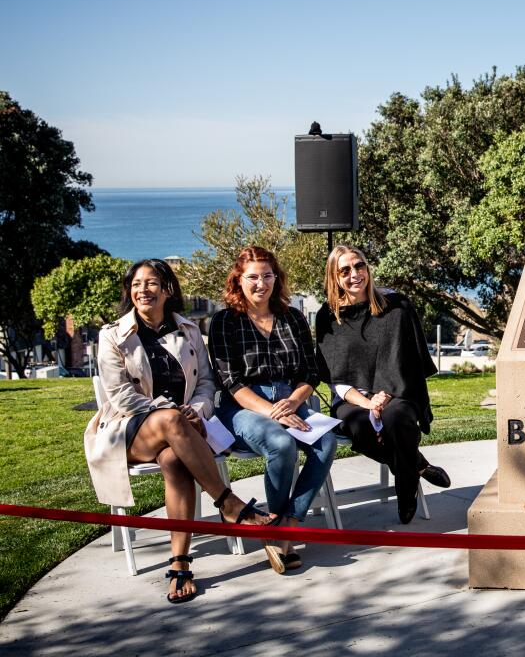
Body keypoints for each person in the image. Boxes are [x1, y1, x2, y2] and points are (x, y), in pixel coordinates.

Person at [84, 259, 271, 604]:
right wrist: (170, 413)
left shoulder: (188, 331)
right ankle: (228, 504)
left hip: (182, 427)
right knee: (170, 423)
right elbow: (121, 395)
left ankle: (180, 563)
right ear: (129, 291)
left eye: (153, 283)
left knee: (173, 458)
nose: (144, 290)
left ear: (168, 289)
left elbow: (206, 383)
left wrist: (197, 410)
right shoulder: (112, 335)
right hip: (128, 429)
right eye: (137, 284)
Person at [209, 246, 338, 574]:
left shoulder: (292, 316)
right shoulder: (225, 321)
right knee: (280, 445)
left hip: (290, 400)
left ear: (276, 278)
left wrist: (294, 402)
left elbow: (310, 373)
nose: (260, 283)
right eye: (252, 277)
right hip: (243, 407)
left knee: (326, 443)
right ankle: (277, 530)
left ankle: (286, 526)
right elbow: (231, 382)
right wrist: (273, 412)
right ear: (238, 280)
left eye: (267, 275)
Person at [315, 245, 450, 524]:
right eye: (345, 270)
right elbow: (335, 378)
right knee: (357, 425)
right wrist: (367, 403)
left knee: (397, 417)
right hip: (354, 399)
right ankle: (417, 466)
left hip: (398, 392)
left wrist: (384, 396)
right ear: (334, 277)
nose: (355, 274)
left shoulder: (396, 307)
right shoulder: (328, 316)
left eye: (360, 266)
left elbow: (406, 363)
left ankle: (405, 491)